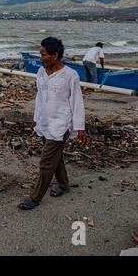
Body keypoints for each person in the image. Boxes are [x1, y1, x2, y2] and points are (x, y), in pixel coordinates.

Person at [19, 37, 87, 210]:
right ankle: (63, 184)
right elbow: (39, 97)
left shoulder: (70, 75)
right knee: (56, 157)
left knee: (46, 162)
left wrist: (80, 128)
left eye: (43, 54)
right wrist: (36, 118)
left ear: (54, 56)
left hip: (61, 124)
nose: (40, 57)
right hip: (44, 122)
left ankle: (36, 197)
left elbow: (77, 102)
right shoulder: (41, 72)